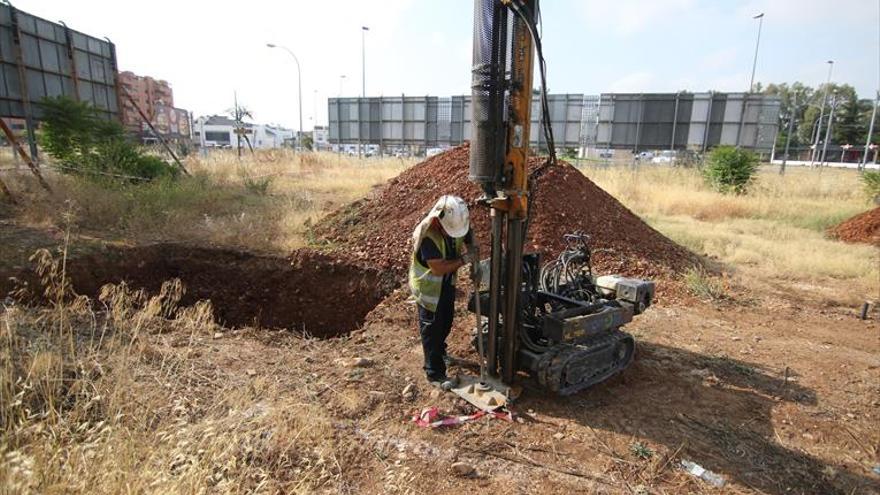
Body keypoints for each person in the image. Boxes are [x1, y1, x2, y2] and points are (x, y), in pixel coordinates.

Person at [408, 195, 476, 390]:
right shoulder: (426, 235)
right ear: (438, 220)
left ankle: (441, 351)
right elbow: (438, 268)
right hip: (429, 289)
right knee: (432, 329)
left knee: (446, 321)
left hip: (446, 284)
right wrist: (465, 260)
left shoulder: (456, 222)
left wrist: (474, 252)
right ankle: (434, 372)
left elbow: (469, 234)